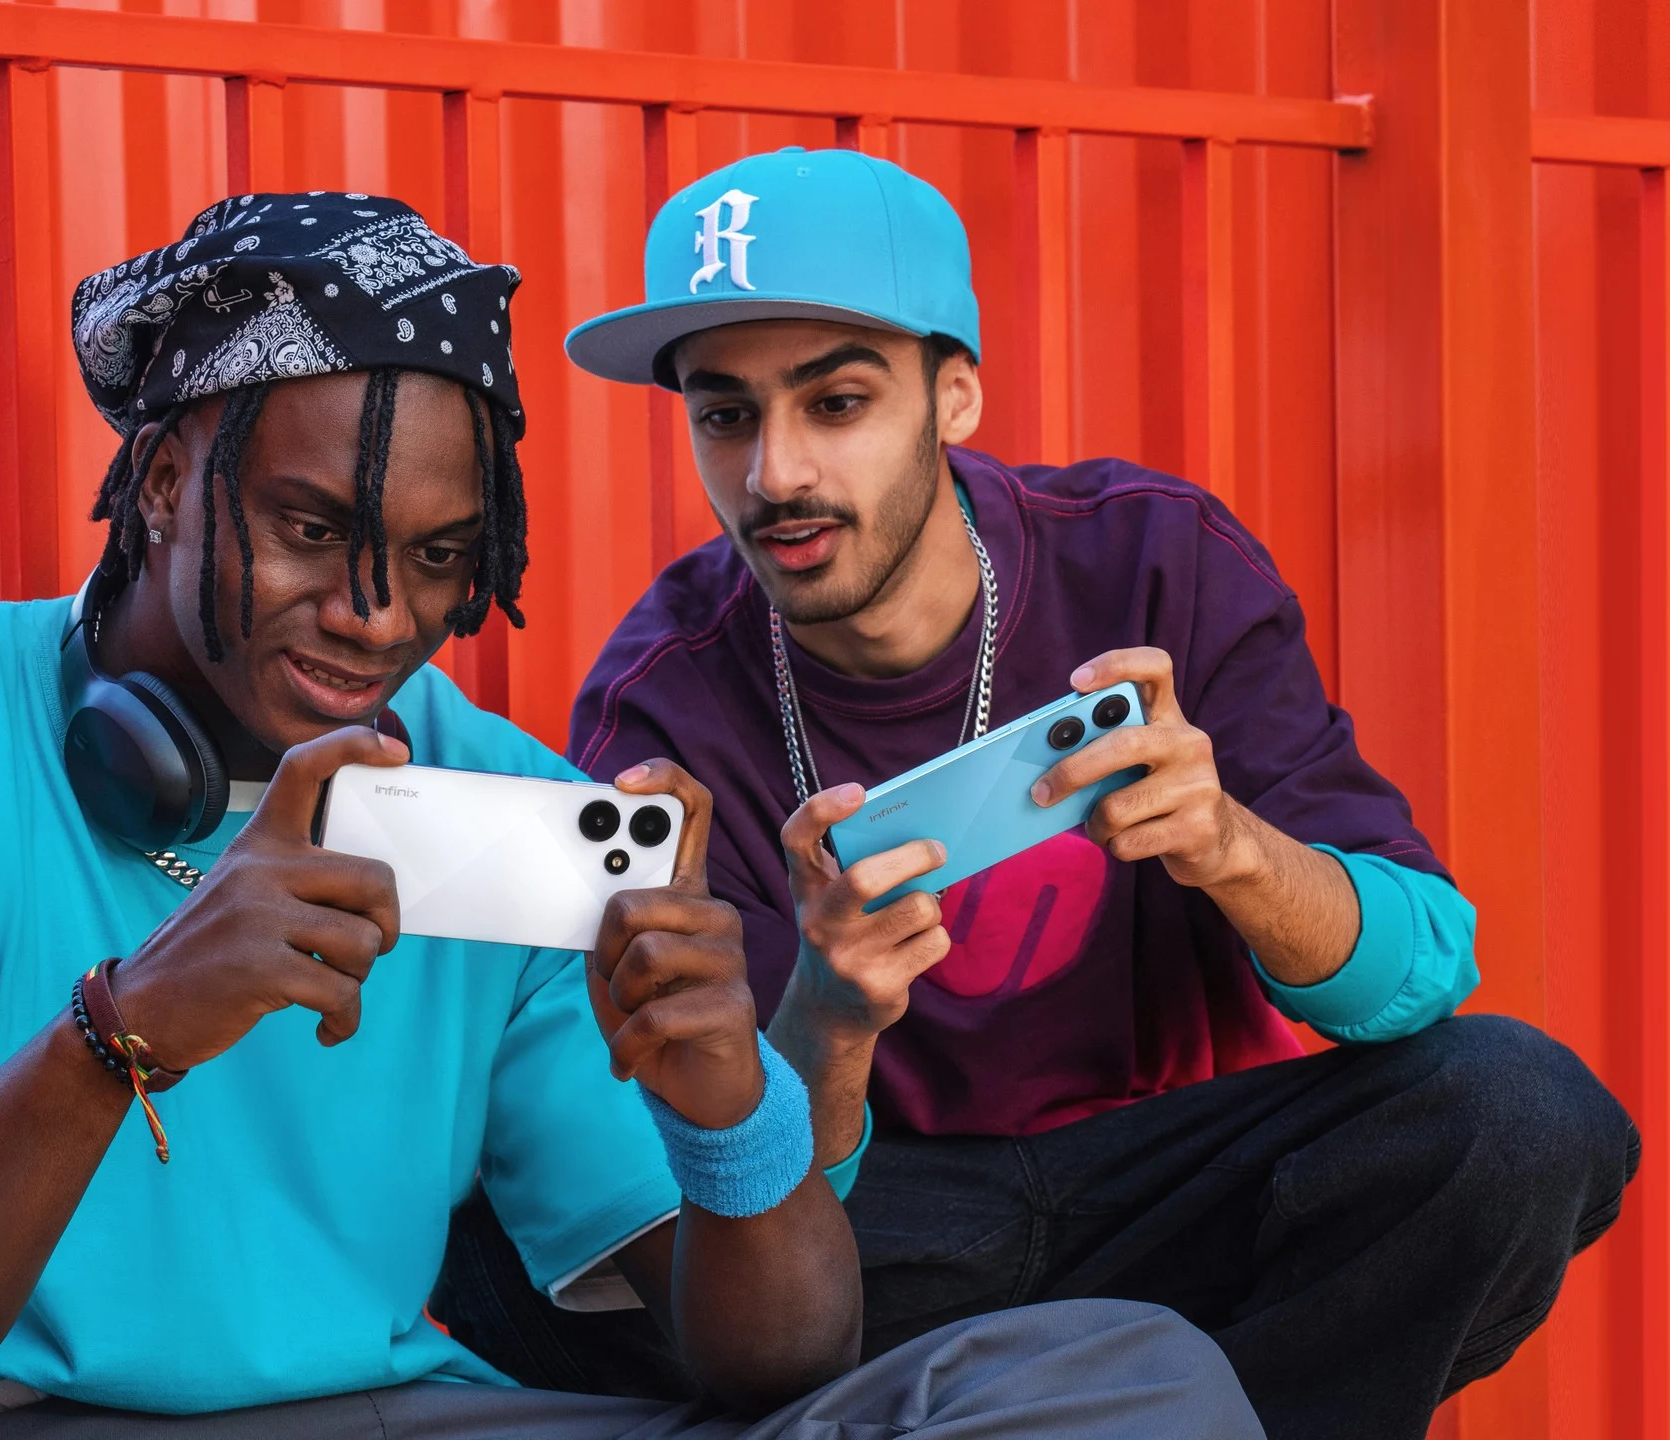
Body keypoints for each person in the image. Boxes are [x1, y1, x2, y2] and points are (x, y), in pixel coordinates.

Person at [0, 192, 1264, 1440]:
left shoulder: (516, 809)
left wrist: (722, 1098)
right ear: (159, 482)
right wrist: (118, 1039)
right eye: (311, 530)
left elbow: (782, 1365)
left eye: (437, 561)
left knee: (1129, 1380)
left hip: (398, 1415)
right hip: (5, 1428)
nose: (371, 614)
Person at [431, 149, 1643, 1440]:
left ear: (956, 396)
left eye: (836, 403)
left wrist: (1231, 847)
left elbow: (1425, 968)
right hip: (881, 1242)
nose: (773, 473)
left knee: (1515, 1110)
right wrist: (829, 1020)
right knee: (517, 1226)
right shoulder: (663, 694)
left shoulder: (1154, 560)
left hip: (1165, 1191)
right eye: (726, 415)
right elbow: (743, 1195)